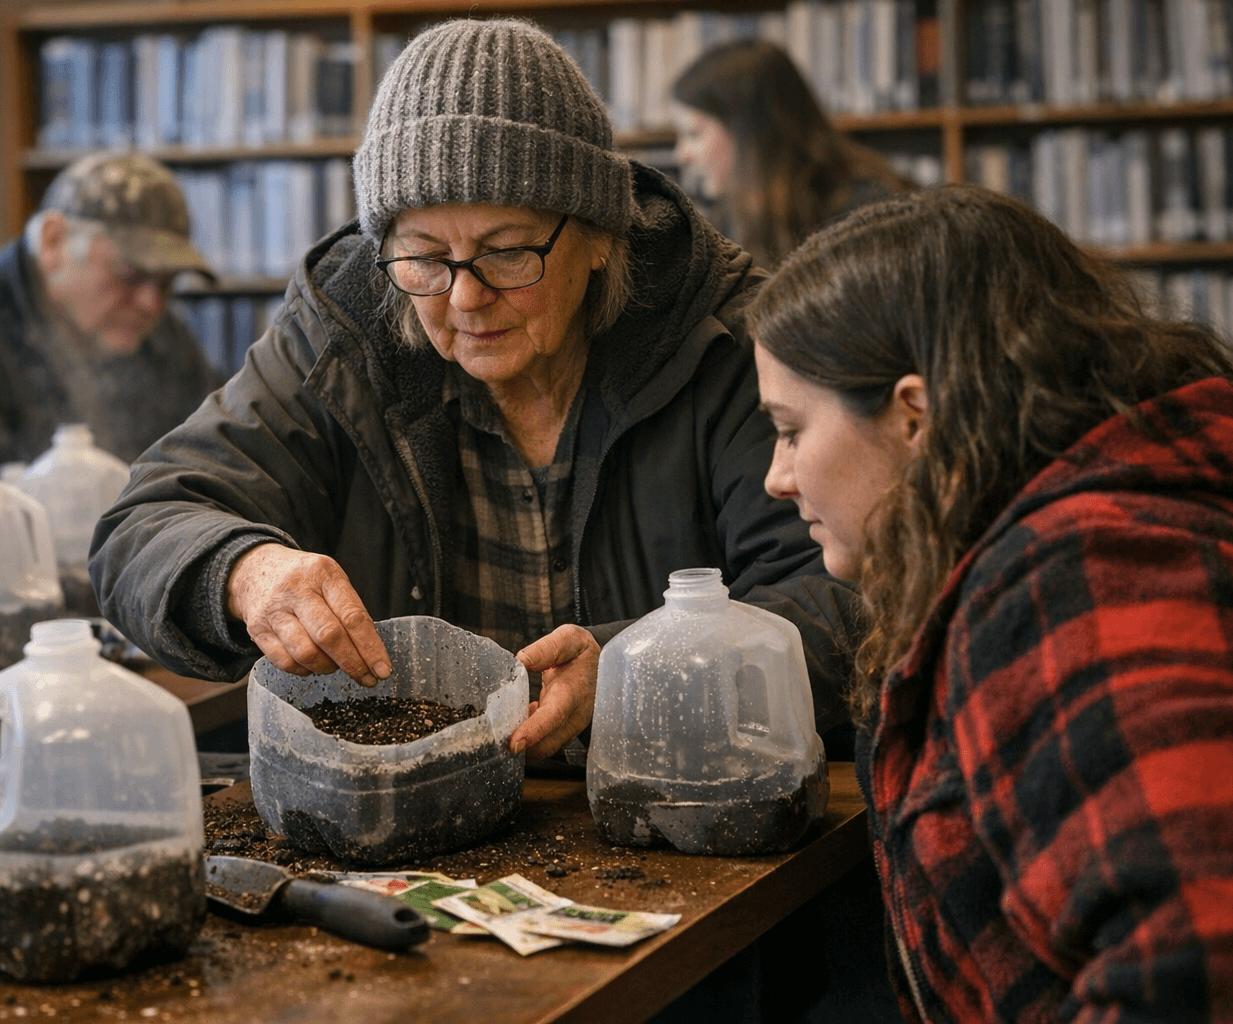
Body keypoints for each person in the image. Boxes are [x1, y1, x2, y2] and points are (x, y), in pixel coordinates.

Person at [90, 18, 859, 765]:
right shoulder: (343, 332)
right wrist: (242, 569)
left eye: (508, 252)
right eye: (423, 256)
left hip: (679, 796)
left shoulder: (724, 338)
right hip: (416, 812)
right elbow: (142, 525)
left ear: (595, 237)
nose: (464, 298)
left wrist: (638, 671)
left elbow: (845, 601)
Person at [750, 184, 1233, 1021]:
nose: (778, 476)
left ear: (916, 419)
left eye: (792, 429)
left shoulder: (1071, 578)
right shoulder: (1041, 542)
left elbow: (1200, 952)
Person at [0, 150, 227, 494]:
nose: (151, 303)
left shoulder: (164, 339)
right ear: (53, 241)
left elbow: (220, 455)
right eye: (129, 275)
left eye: (167, 283)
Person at [671, 39, 915, 270]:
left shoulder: (868, 218)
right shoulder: (730, 219)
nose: (682, 154)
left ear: (750, 133)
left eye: (694, 134)